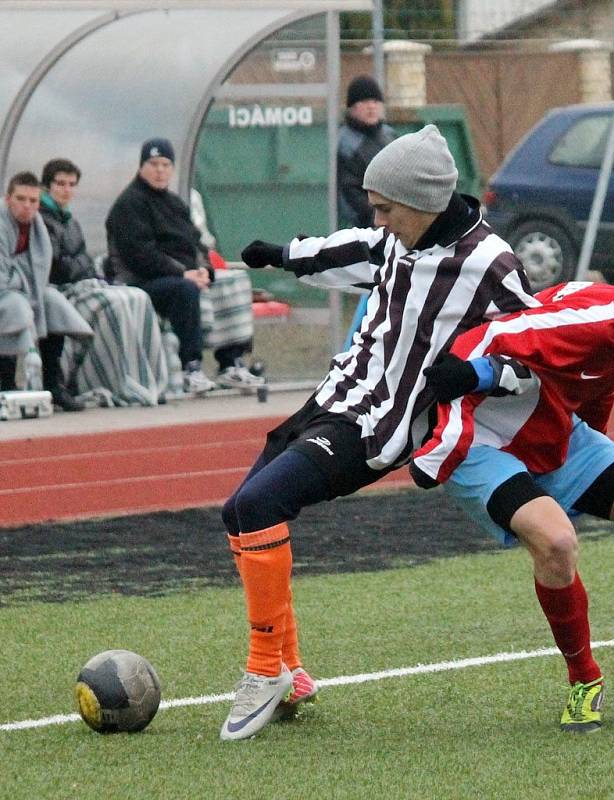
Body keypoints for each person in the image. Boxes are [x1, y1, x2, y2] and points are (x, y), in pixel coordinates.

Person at [219, 124, 536, 740]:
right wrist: (283, 254)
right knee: (239, 512)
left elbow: (538, 356)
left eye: (387, 208)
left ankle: (265, 669)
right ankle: (292, 670)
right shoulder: (399, 239)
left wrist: (477, 373)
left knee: (260, 504)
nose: (380, 219)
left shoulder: (491, 265)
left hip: (376, 429)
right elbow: (355, 248)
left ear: (423, 204)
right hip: (333, 398)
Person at [411, 262, 614, 733]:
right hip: (480, 436)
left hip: (552, 425)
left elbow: (599, 383)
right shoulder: (589, 322)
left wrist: (596, 451)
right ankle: (583, 679)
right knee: (556, 542)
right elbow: (489, 336)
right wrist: (450, 414)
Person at [105, 137, 264, 394]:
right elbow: (141, 255)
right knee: (184, 289)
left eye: (165, 164)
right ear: (142, 166)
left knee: (233, 280)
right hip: (141, 281)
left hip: (182, 274)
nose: (159, 170)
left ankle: (230, 363)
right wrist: (184, 273)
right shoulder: (129, 205)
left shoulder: (175, 203)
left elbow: (196, 244)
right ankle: (190, 366)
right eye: (153, 164)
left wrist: (204, 270)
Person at [39, 158, 168, 407]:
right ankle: (114, 380)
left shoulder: (70, 220)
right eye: (60, 184)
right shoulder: (42, 219)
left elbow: (77, 260)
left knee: (138, 297)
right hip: (62, 290)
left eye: (72, 184)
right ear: (48, 186)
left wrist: (86, 271)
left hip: (83, 283)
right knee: (114, 306)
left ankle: (148, 379)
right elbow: (56, 266)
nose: (67, 190)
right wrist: (83, 270)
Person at [0, 171, 92, 410]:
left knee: (51, 302)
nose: (27, 206)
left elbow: (40, 269)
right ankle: (5, 382)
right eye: (21, 199)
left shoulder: (37, 227)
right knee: (16, 308)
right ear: (8, 198)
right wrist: (24, 282)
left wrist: (27, 284)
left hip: (24, 288)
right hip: (6, 291)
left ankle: (53, 382)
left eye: (33, 201)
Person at [337, 75, 395, 229]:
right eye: (364, 102)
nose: (371, 107)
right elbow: (350, 191)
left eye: (375, 101)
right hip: (360, 227)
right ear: (352, 107)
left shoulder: (390, 136)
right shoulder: (344, 143)